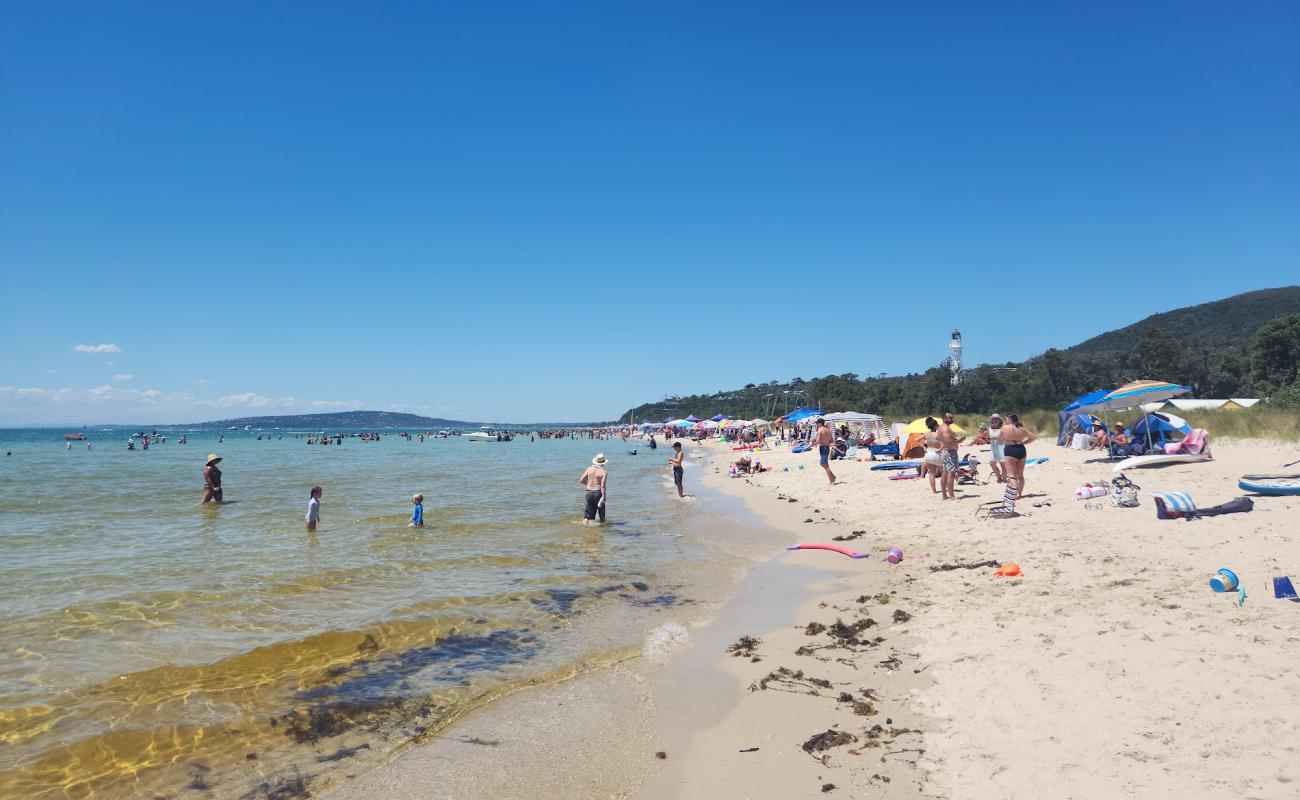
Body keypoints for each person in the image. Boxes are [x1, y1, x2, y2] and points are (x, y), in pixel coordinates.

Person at [1001, 414, 1037, 499]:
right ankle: (1019, 493)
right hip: (1021, 449)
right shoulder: (1022, 428)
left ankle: (1014, 493)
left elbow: (998, 437)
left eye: (1006, 419)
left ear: (1010, 420)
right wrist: (1024, 442)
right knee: (1020, 475)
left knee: (1011, 475)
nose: (1005, 421)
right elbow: (1034, 437)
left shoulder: (1004, 427)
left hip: (1010, 449)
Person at [937, 412, 965, 500]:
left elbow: (941, 439)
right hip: (949, 452)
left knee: (945, 473)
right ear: (944, 418)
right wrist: (958, 441)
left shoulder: (942, 427)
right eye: (950, 418)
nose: (952, 419)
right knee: (951, 474)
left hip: (946, 451)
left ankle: (945, 495)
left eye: (952, 417)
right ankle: (951, 495)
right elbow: (947, 441)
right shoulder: (945, 428)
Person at [578, 454, 608, 525]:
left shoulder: (589, 469)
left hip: (589, 493)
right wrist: (604, 496)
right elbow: (602, 486)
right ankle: (602, 529)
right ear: (603, 463)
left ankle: (585, 529)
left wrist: (589, 485)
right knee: (601, 513)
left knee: (587, 516)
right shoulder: (604, 472)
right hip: (598, 493)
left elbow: (581, 480)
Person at [922, 416, 943, 494]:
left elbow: (916, 440)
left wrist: (924, 447)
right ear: (935, 426)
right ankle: (945, 488)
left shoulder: (926, 434)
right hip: (936, 453)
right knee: (943, 473)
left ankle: (934, 491)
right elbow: (944, 444)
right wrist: (940, 449)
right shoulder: (938, 434)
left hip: (928, 453)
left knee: (931, 473)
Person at [813, 417, 836, 486]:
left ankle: (831, 481)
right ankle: (833, 477)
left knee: (825, 464)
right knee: (823, 463)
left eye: (817, 423)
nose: (816, 424)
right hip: (827, 447)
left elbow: (818, 440)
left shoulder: (820, 430)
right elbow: (832, 441)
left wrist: (814, 443)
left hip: (823, 447)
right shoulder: (828, 430)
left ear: (820, 423)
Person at [987, 414, 1006, 483]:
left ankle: (1004, 478)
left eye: (997, 419)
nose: (995, 420)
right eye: (994, 419)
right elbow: (989, 438)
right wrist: (988, 440)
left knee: (1003, 465)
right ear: (992, 420)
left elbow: (1005, 437)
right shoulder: (990, 428)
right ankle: (999, 477)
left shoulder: (1003, 428)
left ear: (999, 420)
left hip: (1002, 447)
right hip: (993, 448)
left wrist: (995, 438)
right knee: (992, 463)